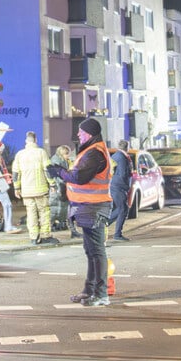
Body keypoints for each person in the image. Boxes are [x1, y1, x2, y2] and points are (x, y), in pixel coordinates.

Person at [48, 118, 113, 307]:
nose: (78, 134)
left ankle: (101, 295)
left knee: (96, 251)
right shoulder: (91, 151)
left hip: (94, 207)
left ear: (90, 134)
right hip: (88, 207)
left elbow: (80, 177)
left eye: (81, 131)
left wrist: (59, 172)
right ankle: (90, 290)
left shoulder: (95, 153)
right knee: (91, 251)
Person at [12, 131, 58, 245]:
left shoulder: (19, 154)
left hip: (27, 191)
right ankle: (46, 235)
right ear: (36, 140)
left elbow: (15, 173)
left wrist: (16, 188)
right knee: (44, 212)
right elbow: (47, 170)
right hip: (41, 190)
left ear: (26, 141)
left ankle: (34, 237)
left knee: (31, 213)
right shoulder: (41, 153)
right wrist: (52, 184)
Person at [48, 145, 78, 237]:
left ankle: (72, 230)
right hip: (58, 188)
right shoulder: (56, 161)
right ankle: (48, 229)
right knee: (54, 210)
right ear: (62, 154)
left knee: (66, 209)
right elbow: (55, 175)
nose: (68, 156)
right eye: (67, 154)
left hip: (63, 187)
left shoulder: (63, 161)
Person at [108, 139, 133, 241]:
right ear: (127, 147)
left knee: (121, 208)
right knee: (123, 209)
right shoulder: (122, 157)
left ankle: (105, 225)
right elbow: (123, 173)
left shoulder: (116, 155)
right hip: (119, 186)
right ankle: (117, 234)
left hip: (115, 185)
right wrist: (127, 184)